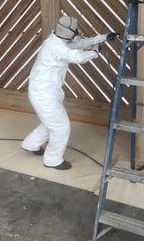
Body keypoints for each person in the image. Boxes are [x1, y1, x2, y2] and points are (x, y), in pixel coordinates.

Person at [21, 15, 118, 170]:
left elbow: (80, 43)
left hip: (48, 91)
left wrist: (104, 37)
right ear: (70, 32)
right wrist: (94, 53)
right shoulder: (56, 47)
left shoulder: (56, 39)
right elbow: (77, 57)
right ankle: (53, 160)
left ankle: (31, 144)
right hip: (43, 93)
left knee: (52, 121)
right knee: (61, 127)